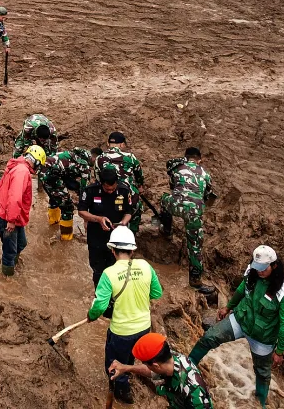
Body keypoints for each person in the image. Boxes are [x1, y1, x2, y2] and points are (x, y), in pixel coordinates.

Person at [189, 245, 284, 409]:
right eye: (257, 267)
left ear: (274, 266)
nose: (260, 271)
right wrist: (228, 307)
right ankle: (188, 366)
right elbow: (241, 290)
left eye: (263, 268)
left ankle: (260, 402)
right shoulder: (252, 273)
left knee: (262, 372)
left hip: (263, 337)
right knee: (209, 337)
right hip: (241, 320)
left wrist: (280, 351)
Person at [89, 226, 164, 405]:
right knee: (131, 356)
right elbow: (156, 293)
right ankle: (131, 373)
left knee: (114, 364)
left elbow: (99, 306)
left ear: (113, 250)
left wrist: (91, 315)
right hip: (144, 328)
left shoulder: (108, 274)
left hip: (121, 332)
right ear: (132, 250)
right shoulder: (145, 266)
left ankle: (122, 392)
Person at [160, 147, 217, 290]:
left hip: (176, 205)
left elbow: (173, 186)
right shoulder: (205, 174)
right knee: (195, 247)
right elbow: (207, 196)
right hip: (194, 210)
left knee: (164, 199)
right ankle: (196, 281)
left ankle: (167, 229)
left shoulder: (177, 167)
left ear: (186, 157)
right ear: (200, 160)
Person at [110, 333, 212, 409]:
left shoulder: (194, 392)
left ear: (156, 365)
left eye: (145, 364)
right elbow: (151, 371)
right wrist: (126, 368)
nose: (145, 366)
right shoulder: (171, 357)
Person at [0, 145, 43, 276]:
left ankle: (11, 263)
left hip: (8, 214)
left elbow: (1, 186)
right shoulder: (22, 172)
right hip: (8, 217)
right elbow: (15, 198)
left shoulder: (17, 167)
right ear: (35, 161)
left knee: (21, 243)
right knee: (10, 251)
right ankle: (7, 281)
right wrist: (11, 220)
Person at [78, 166, 137, 283]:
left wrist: (123, 223)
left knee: (116, 268)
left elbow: (129, 211)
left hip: (117, 236)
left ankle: (114, 296)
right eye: (107, 189)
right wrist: (98, 219)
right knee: (98, 270)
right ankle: (99, 295)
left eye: (112, 189)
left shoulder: (124, 191)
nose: (110, 192)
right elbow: (81, 211)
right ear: (101, 184)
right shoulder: (90, 190)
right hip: (96, 236)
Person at [96, 132, 145, 233]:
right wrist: (140, 186)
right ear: (122, 144)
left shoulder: (99, 158)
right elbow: (139, 175)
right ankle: (132, 234)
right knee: (136, 208)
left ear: (107, 143)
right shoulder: (130, 157)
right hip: (128, 195)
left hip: (108, 195)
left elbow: (98, 179)